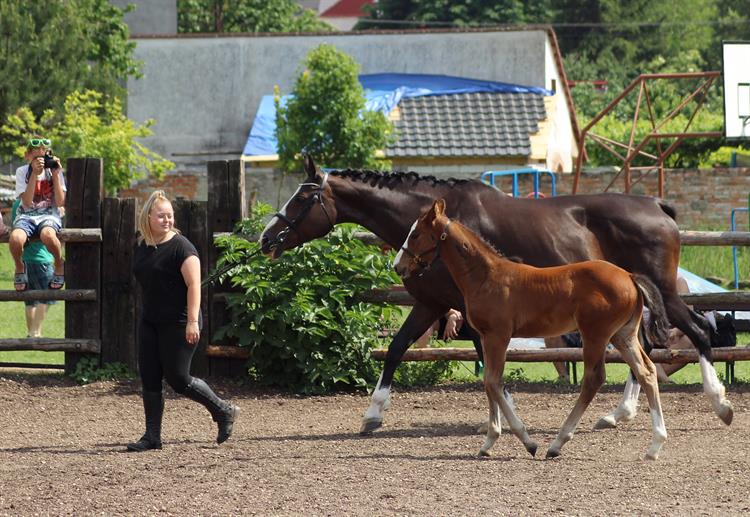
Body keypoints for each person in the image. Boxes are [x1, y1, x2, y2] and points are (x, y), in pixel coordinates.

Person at [128, 190, 239, 451]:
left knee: (178, 378)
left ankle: (223, 410)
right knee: (150, 376)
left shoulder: (182, 247)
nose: (166, 220)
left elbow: (194, 286)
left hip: (179, 322)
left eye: (170, 216)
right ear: (148, 217)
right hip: (150, 321)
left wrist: (192, 321)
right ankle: (152, 436)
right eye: (161, 216)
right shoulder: (142, 244)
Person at [10, 136, 66, 291]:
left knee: (48, 235)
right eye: (36, 157)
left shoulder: (54, 171)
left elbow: (61, 203)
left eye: (44, 156)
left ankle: (59, 264)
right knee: (15, 239)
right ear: (27, 157)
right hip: (26, 215)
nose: (40, 161)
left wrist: (55, 175)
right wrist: (34, 174)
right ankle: (19, 266)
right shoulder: (22, 171)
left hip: (49, 215)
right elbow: (27, 203)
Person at [11, 199, 58, 337]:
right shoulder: (44, 204)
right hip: (42, 257)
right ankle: (35, 332)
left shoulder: (16, 204)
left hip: (24, 258)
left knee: (30, 300)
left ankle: (31, 332)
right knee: (48, 296)